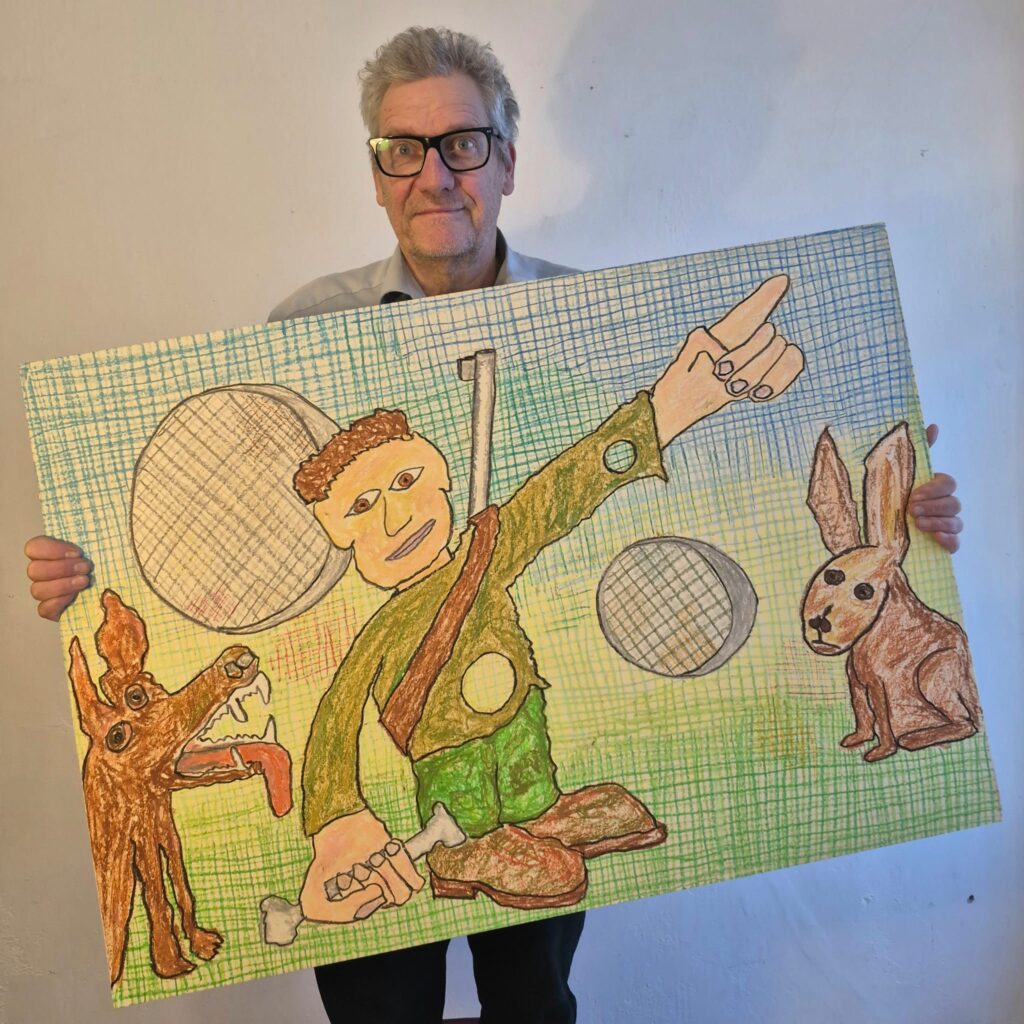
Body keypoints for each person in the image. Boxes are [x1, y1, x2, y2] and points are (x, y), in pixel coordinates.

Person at [22, 25, 965, 1024]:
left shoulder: (590, 317)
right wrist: (88, 572)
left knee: (533, 999)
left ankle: (531, 821)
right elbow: (253, 577)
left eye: (462, 144)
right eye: (404, 148)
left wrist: (892, 512)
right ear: (376, 174)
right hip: (421, 804)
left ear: (507, 160)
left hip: (532, 753)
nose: (434, 175)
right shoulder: (301, 334)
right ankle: (470, 845)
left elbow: (567, 493)